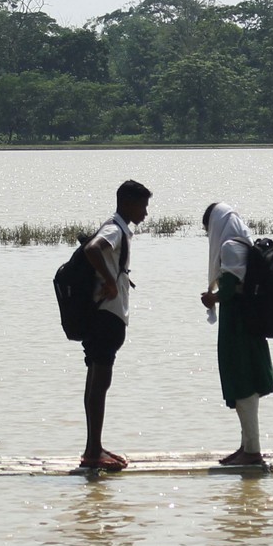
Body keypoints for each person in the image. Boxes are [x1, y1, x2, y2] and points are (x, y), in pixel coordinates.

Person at [80, 179, 152, 471]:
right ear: (128, 203)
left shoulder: (118, 228)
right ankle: (93, 452)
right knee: (100, 383)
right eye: (143, 206)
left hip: (102, 316)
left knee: (96, 381)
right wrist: (110, 282)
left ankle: (93, 448)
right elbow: (93, 249)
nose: (145, 213)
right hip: (106, 316)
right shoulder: (114, 228)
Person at [200, 203, 273, 466]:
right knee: (246, 380)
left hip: (238, 323)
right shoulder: (245, 243)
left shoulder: (229, 247)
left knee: (243, 381)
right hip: (247, 321)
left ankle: (252, 451)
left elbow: (231, 287)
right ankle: (246, 446)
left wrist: (212, 297)